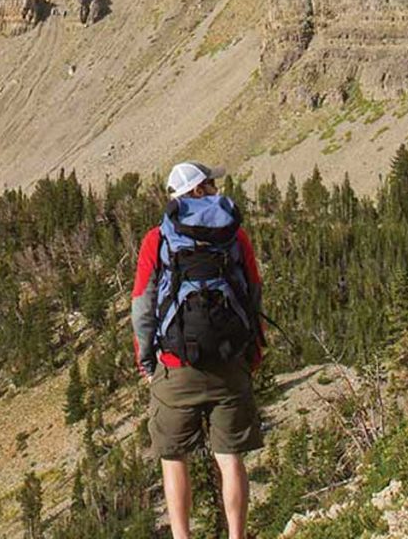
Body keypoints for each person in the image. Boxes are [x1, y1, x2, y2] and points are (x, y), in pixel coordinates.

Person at [131, 162, 264, 539]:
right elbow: (253, 293)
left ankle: (182, 537)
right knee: (230, 458)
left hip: (175, 364)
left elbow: (142, 305)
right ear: (203, 188)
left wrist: (146, 359)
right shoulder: (236, 236)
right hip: (229, 361)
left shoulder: (157, 239)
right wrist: (253, 350)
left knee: (173, 459)